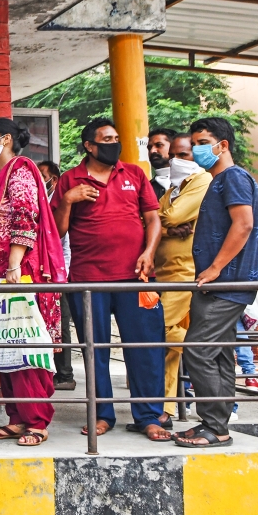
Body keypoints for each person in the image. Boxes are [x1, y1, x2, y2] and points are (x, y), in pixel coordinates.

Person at [50, 117, 169, 441]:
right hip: (89, 280)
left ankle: (148, 416)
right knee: (95, 349)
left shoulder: (133, 174)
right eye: (106, 138)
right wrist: (68, 200)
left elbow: (153, 218)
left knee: (145, 348)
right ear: (89, 145)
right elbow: (57, 231)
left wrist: (149, 252)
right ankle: (102, 415)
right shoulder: (71, 180)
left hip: (137, 277)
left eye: (116, 137)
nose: (113, 143)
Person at [0, 119, 66, 447]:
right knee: (8, 345)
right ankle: (17, 418)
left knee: (26, 343)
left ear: (7, 139)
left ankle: (37, 421)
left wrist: (14, 264)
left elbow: (27, 216)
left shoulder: (21, 171)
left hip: (19, 273)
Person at [175, 117, 258, 448]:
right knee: (220, 352)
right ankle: (215, 424)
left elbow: (244, 224)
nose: (196, 149)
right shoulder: (218, 179)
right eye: (193, 142)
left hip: (227, 282)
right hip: (223, 283)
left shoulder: (233, 177)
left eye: (202, 142)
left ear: (222, 145)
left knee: (198, 349)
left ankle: (214, 426)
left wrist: (215, 268)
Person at [153, 137, 212, 420]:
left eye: (184, 154)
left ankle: (166, 406)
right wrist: (162, 224)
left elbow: (172, 216)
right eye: (173, 155)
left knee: (162, 333)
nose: (177, 160)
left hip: (185, 274)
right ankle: (164, 408)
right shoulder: (176, 187)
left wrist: (161, 220)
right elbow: (153, 221)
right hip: (164, 273)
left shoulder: (200, 180)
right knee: (167, 345)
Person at [39, 160, 76, 391]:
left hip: (60, 274)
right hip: (45, 274)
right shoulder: (41, 202)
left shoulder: (61, 204)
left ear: (54, 179)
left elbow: (65, 246)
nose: (40, 179)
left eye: (43, 175)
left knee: (61, 324)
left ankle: (64, 375)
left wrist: (63, 275)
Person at [148, 128, 178, 200]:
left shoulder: (192, 179)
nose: (152, 151)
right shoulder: (146, 188)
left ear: (174, 146)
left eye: (159, 145)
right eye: (149, 148)